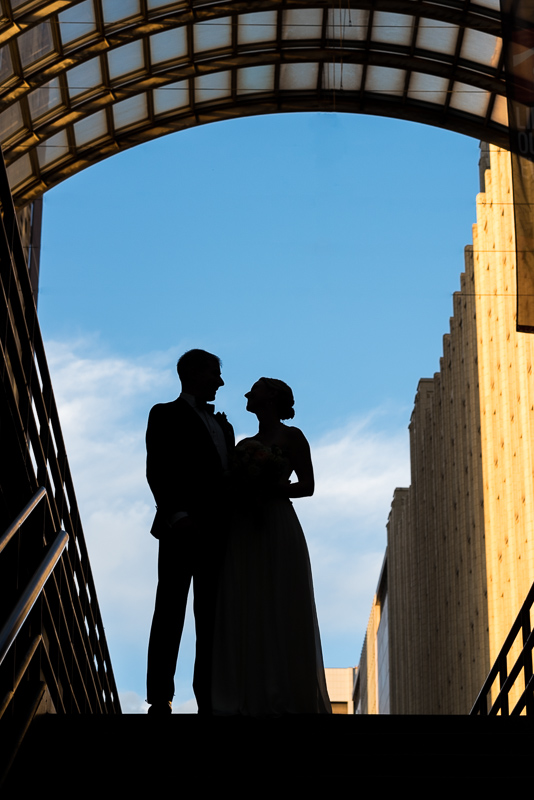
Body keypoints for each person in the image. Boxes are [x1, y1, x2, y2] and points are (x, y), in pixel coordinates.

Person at [212, 377, 331, 715]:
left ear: (273, 397)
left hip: (277, 522)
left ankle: (283, 691)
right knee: (246, 599)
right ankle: (248, 691)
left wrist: (269, 489)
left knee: (279, 598)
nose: (248, 393)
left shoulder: (292, 437)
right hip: (243, 527)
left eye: (256, 389)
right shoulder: (243, 444)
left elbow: (307, 486)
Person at [146, 349, 234, 715]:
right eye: (215, 374)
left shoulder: (225, 426)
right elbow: (158, 468)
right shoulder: (164, 413)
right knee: (170, 612)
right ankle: (160, 697)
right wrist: (177, 516)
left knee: (212, 619)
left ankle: (208, 700)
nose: (220, 382)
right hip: (180, 531)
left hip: (219, 534)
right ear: (194, 373)